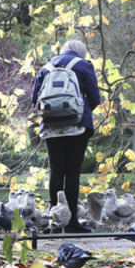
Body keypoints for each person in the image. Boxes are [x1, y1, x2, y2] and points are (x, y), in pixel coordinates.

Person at [31, 40, 101, 233]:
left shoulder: (46, 67)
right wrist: (77, 112)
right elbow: (95, 98)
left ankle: (54, 223)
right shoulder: (83, 65)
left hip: (51, 126)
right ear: (81, 52)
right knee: (72, 172)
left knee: (55, 170)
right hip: (77, 126)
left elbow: (34, 99)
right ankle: (71, 224)